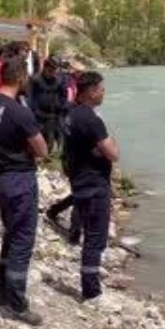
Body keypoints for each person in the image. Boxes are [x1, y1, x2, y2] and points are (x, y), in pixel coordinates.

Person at [0, 55, 47, 326]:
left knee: (11, 232)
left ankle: (4, 289)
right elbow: (42, 149)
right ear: (20, 78)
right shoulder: (19, 112)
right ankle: (16, 303)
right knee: (21, 239)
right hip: (18, 179)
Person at [62, 71, 121, 305]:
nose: (104, 93)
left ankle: (91, 280)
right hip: (93, 183)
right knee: (95, 237)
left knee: (90, 235)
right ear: (91, 91)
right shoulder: (91, 120)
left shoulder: (72, 114)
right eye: (101, 89)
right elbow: (113, 153)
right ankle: (91, 291)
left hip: (79, 179)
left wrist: (98, 149)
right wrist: (108, 144)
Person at [27, 58, 69, 154]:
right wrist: (33, 111)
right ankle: (36, 155)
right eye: (50, 71)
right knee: (37, 137)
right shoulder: (35, 79)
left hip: (52, 114)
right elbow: (30, 97)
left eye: (54, 71)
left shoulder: (59, 80)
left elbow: (64, 94)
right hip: (38, 114)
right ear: (44, 68)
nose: (52, 73)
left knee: (50, 137)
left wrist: (62, 106)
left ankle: (47, 156)